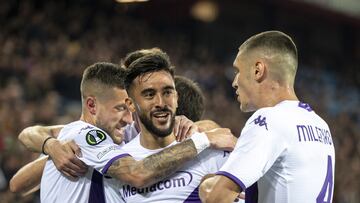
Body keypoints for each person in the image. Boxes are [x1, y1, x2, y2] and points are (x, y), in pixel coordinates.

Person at [12, 61, 234, 202]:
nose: (128, 119)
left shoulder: (121, 136)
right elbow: (137, 174)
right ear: (92, 106)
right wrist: (49, 145)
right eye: (121, 108)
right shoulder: (80, 136)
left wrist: (204, 128)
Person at [199, 31, 335, 203]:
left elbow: (215, 197)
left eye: (237, 71)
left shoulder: (270, 119)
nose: (234, 82)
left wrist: (207, 183)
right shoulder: (321, 125)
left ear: (258, 70)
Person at [118, 48, 235, 202]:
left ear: (176, 97)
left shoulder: (211, 151)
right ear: (131, 104)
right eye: (149, 94)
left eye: (167, 92)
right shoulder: (120, 158)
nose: (160, 103)